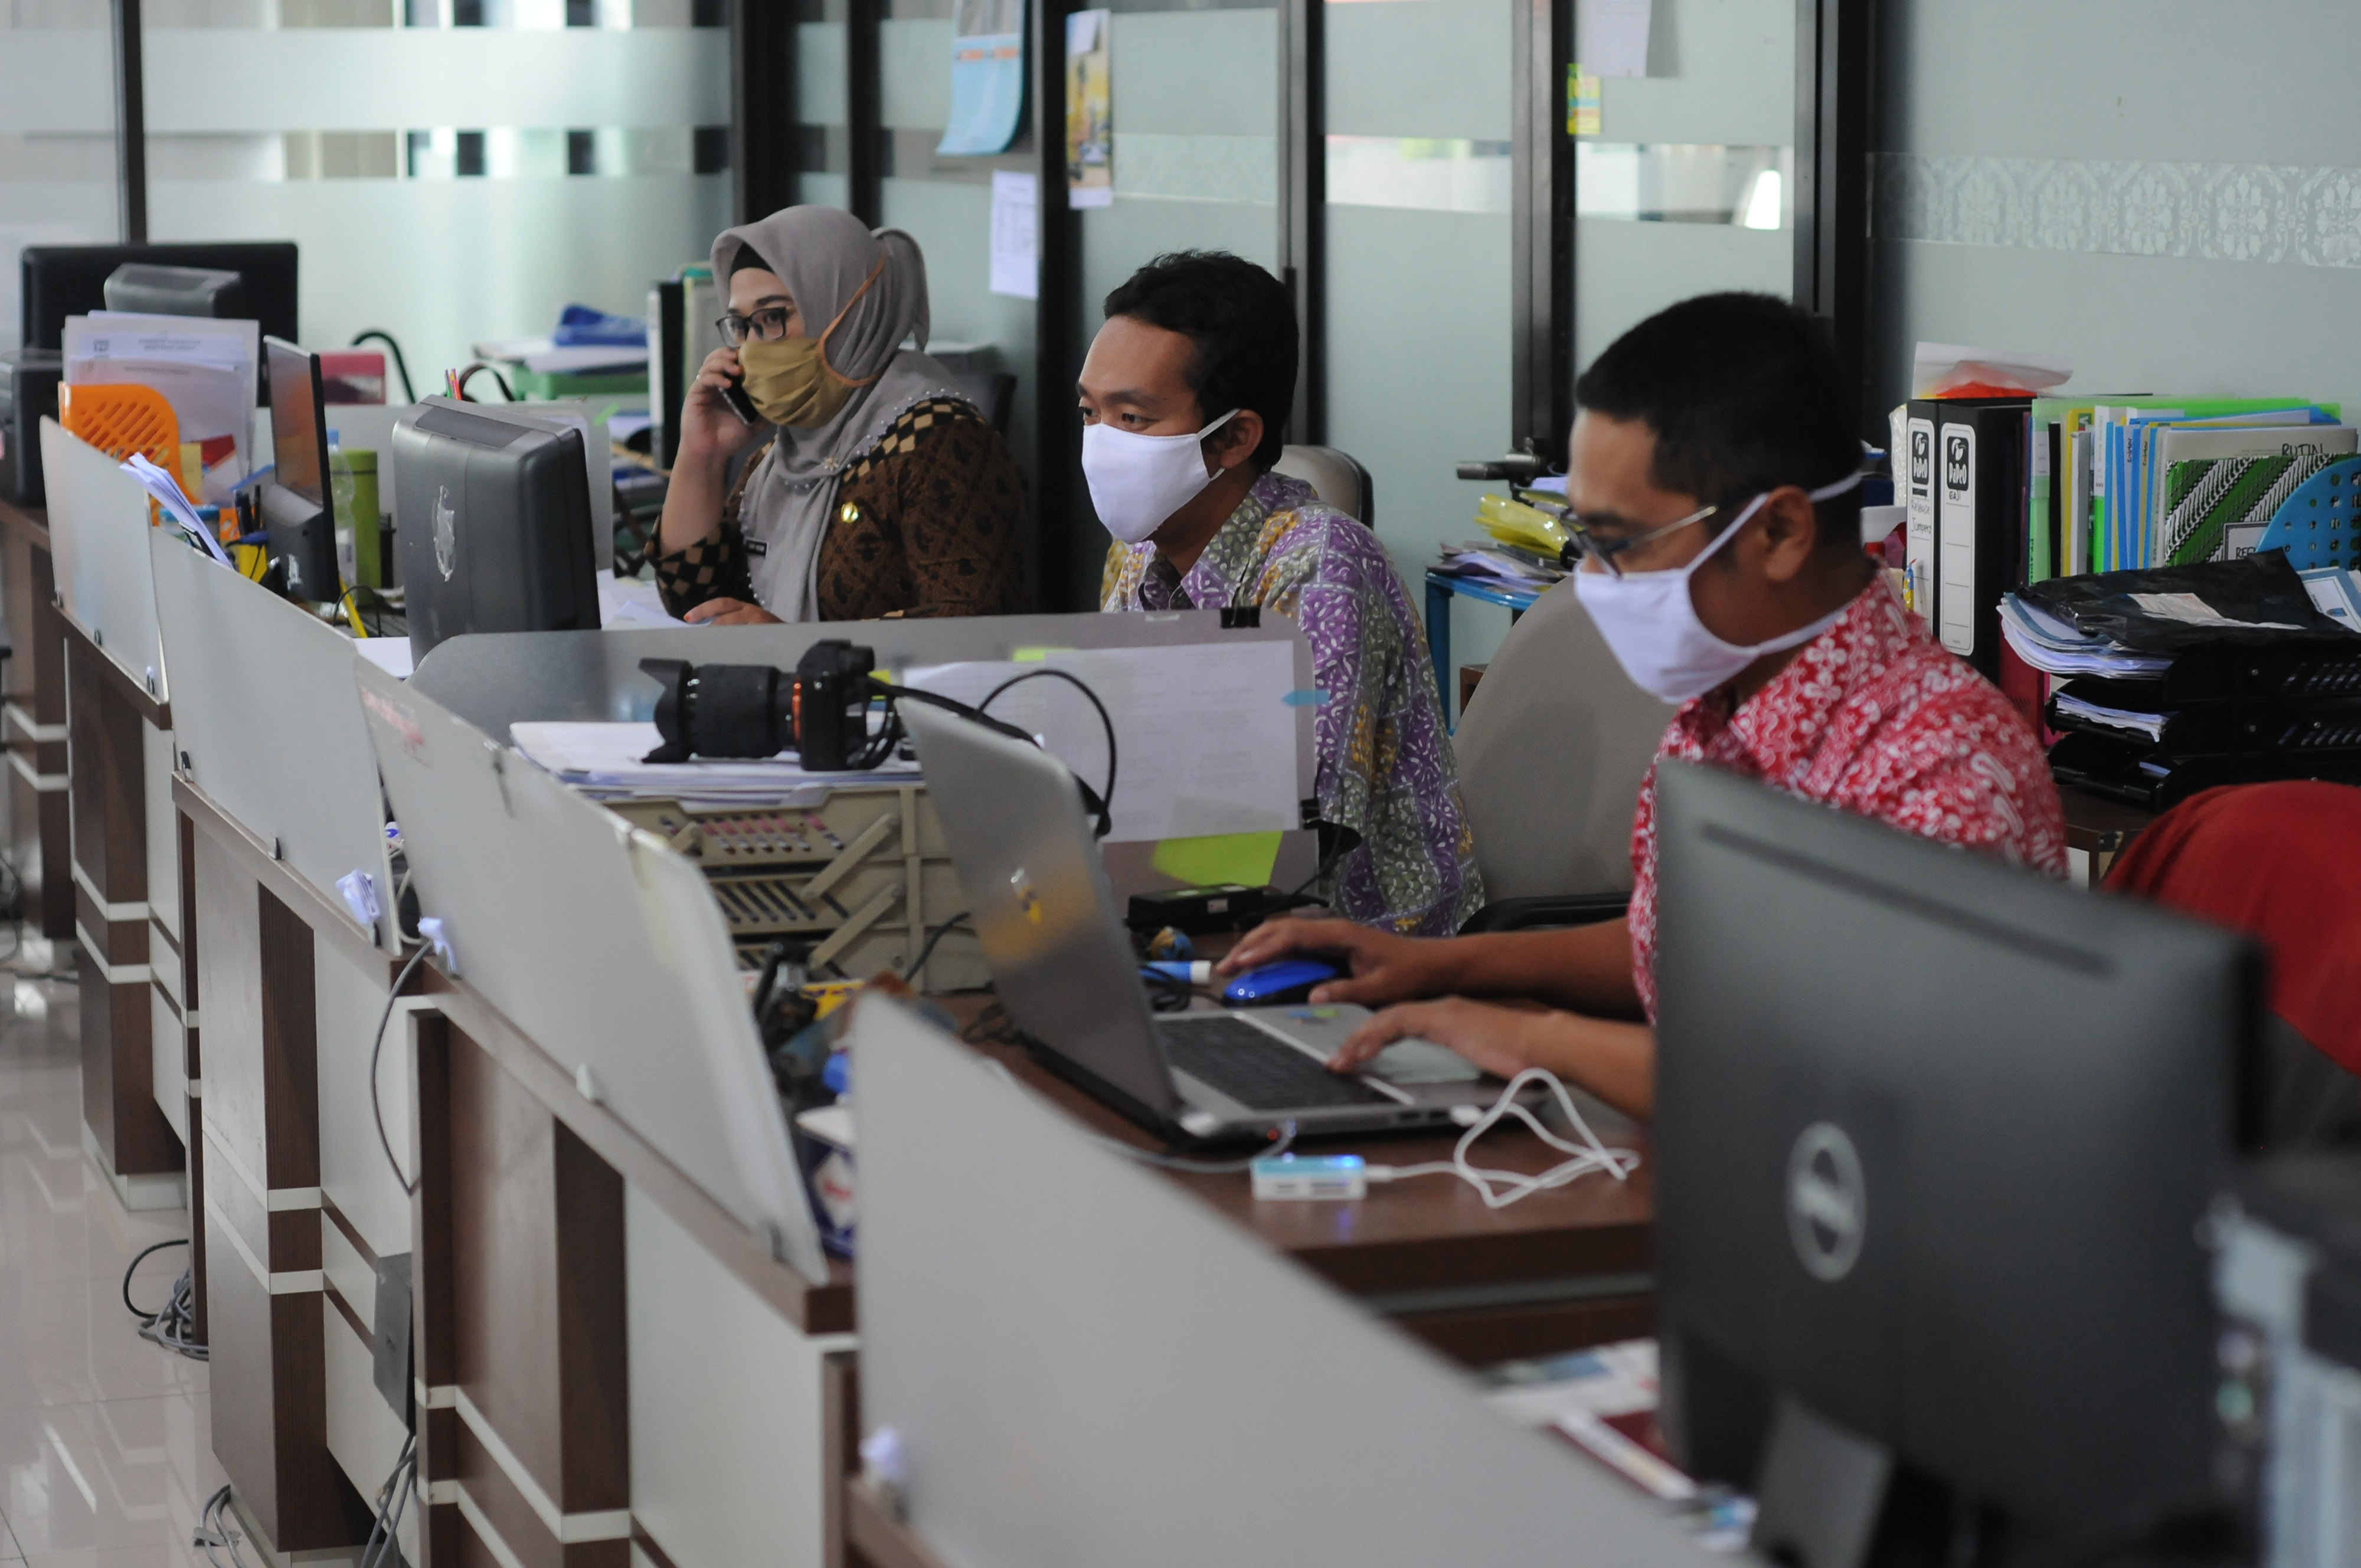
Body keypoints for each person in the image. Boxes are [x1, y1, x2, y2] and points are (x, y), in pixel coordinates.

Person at [1221, 292, 2067, 1118]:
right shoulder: (1727, 703)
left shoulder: (1941, 766)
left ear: (1778, 533)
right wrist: (1434, 967)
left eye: (1621, 544)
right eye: (1585, 541)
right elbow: (1673, 952)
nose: (1593, 585)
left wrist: (1533, 1038)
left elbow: (1833, 1090)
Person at [1082, 251, 1482, 936]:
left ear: (1234, 437)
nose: (1099, 443)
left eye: (1135, 419)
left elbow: (1290, 837)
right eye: (1089, 411)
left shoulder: (1322, 565)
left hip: (1361, 944)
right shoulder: (1135, 551)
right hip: (1188, 914)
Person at [649, 205, 1030, 623]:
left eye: (773, 317)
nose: (753, 347)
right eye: (742, 325)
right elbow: (692, 601)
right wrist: (701, 456)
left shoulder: (943, 443)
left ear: (849, 311)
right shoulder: (788, 449)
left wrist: (797, 649)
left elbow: (971, 624)